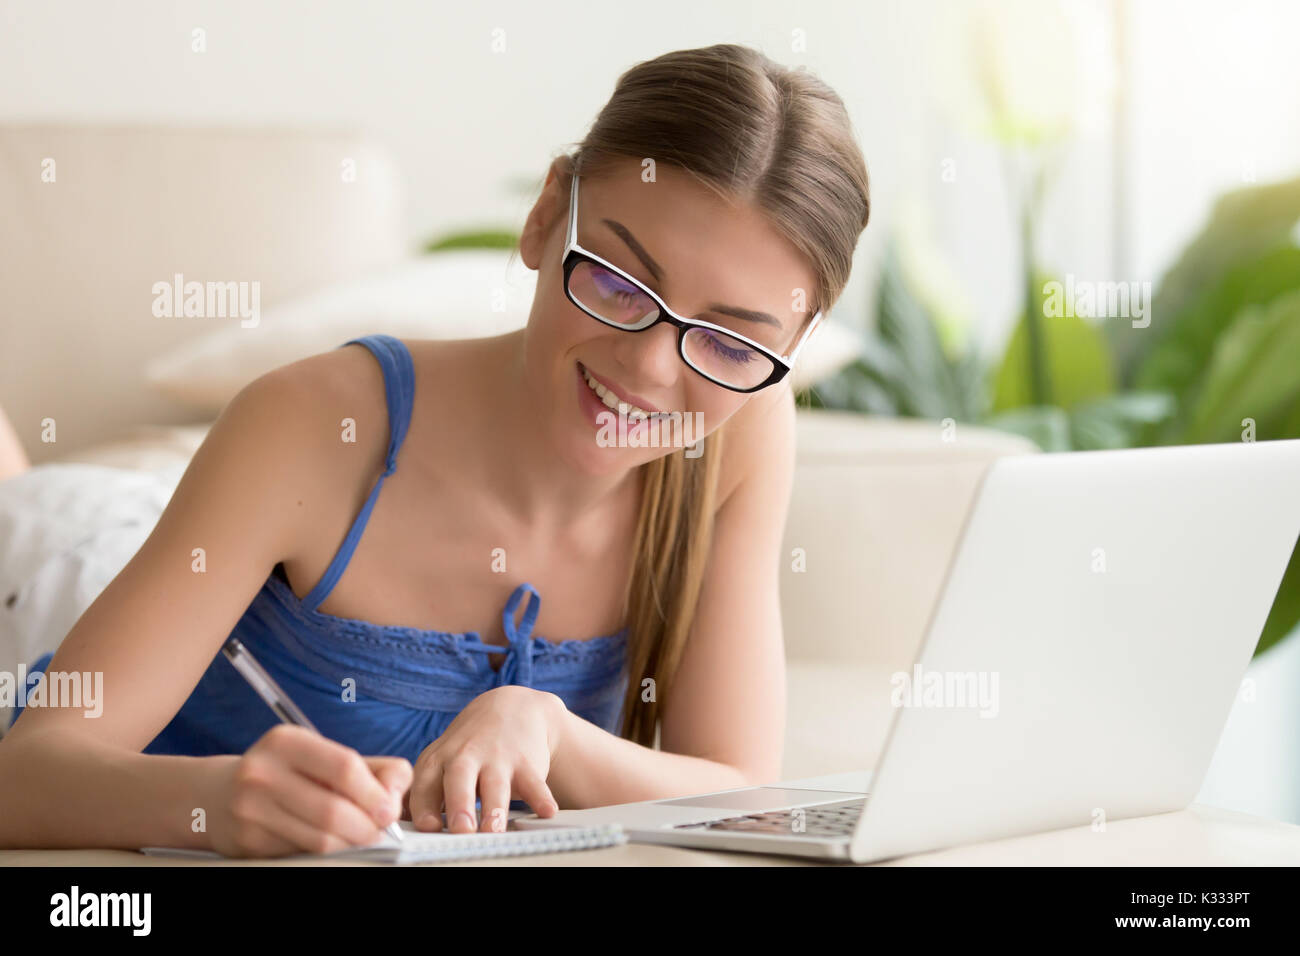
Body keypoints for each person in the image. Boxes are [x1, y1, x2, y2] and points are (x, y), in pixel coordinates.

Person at [0, 42, 870, 857]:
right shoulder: (309, 424)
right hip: (63, 567)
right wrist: (215, 803)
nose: (646, 367)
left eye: (728, 343)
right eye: (616, 280)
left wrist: (543, 726)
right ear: (542, 218)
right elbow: (24, 775)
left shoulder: (743, 430)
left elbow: (740, 790)